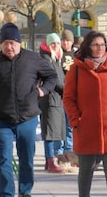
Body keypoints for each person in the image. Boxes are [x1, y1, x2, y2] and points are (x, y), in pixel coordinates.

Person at [0, 23, 58, 197]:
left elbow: (51, 76)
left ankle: (25, 191)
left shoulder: (33, 59)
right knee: (4, 159)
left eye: (12, 42)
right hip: (1, 118)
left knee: (26, 159)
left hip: (27, 117)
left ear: (20, 43)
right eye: (5, 43)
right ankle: (6, 193)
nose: (9, 46)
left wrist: (42, 90)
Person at [63, 31, 107, 197]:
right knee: (86, 171)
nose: (100, 48)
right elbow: (68, 98)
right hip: (86, 128)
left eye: (102, 44)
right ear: (88, 47)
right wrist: (76, 120)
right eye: (95, 45)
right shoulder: (76, 69)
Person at [40, 33, 67, 173]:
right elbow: (54, 79)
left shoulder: (55, 58)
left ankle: (49, 160)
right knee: (50, 131)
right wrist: (67, 89)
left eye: (57, 43)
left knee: (53, 130)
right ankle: (51, 160)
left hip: (56, 99)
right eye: (53, 43)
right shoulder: (46, 59)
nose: (56, 45)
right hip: (51, 99)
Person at [59, 30, 76, 159]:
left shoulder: (76, 55)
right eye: (63, 40)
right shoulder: (58, 54)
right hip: (60, 93)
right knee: (60, 123)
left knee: (70, 123)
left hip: (72, 94)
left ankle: (69, 149)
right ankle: (59, 150)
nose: (65, 43)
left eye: (68, 40)